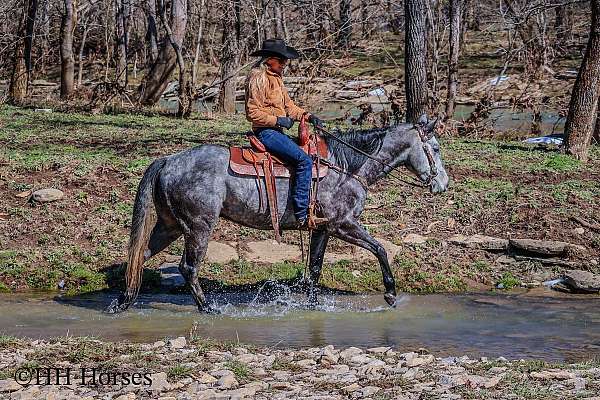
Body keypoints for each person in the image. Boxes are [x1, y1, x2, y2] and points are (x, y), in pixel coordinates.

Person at [245, 38, 325, 228]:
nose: (284, 64)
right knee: (304, 161)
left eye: (285, 61)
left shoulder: (277, 78)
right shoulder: (259, 78)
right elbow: (252, 113)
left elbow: (289, 107)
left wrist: (308, 115)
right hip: (266, 132)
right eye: (282, 61)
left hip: (276, 131)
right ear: (270, 60)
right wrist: (277, 120)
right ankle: (302, 214)